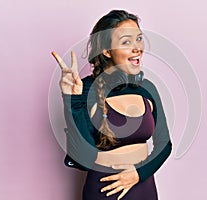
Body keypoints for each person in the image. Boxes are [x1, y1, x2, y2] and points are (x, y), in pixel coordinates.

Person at [51, 10, 172, 200]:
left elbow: (165, 144)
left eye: (139, 39)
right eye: (126, 42)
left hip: (144, 189)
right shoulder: (84, 88)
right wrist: (71, 99)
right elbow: (84, 157)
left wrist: (138, 174)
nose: (137, 48)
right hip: (104, 191)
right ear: (107, 51)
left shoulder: (147, 88)